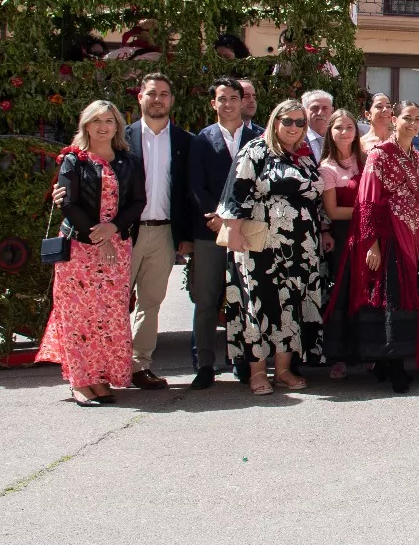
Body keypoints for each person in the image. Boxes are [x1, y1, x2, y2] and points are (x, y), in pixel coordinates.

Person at [218, 99, 330, 395]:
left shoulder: (304, 156)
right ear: (275, 121)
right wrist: (233, 232)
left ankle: (283, 370)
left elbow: (317, 199)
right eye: (288, 121)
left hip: (301, 246)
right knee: (259, 303)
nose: (295, 127)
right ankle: (257, 372)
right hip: (260, 243)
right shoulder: (256, 150)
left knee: (291, 304)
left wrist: (324, 230)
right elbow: (235, 193)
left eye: (300, 122)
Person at [324, 101, 419, 392]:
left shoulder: (417, 155)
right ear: (394, 119)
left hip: (415, 232)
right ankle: (393, 363)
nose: (412, 124)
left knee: (413, 293)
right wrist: (371, 243)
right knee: (392, 296)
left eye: (417, 119)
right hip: (389, 234)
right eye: (406, 118)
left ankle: (397, 361)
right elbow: (368, 201)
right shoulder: (379, 154)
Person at [39, 100, 147, 406]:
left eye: (109, 120)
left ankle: (100, 378)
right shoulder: (73, 160)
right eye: (97, 120)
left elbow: (138, 201)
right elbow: (68, 203)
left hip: (117, 247)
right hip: (80, 249)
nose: (103, 126)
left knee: (108, 316)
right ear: (86, 125)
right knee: (79, 317)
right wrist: (99, 238)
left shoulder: (128, 160)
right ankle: (80, 381)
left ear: (117, 126)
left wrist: (113, 228)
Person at [186, 77, 260, 390]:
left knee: (245, 297)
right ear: (213, 103)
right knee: (206, 299)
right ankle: (205, 363)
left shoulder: (259, 137)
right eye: (222, 98)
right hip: (210, 230)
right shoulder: (202, 139)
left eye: (233, 98)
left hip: (247, 230)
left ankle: (243, 359)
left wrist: (237, 221)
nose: (228, 104)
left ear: (243, 102)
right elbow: (195, 185)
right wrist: (218, 218)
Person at [122, 73, 193, 390]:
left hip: (164, 233)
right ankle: (107, 364)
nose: (158, 99)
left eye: (164, 94)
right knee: (113, 301)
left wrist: (185, 235)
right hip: (125, 233)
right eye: (151, 93)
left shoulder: (184, 141)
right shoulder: (121, 138)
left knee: (150, 302)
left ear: (171, 100)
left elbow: (187, 193)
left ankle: (139, 365)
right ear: (140, 97)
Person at [319, 109, 362, 378]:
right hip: (345, 236)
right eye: (338, 128)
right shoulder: (327, 167)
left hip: (369, 235)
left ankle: (368, 349)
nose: (344, 132)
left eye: (349, 127)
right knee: (343, 293)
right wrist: (367, 211)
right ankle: (339, 355)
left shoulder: (366, 159)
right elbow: (333, 211)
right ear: (330, 132)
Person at [301, 89, 334, 163]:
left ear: (332, 111)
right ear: (304, 111)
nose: (320, 113)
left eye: (325, 108)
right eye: (315, 108)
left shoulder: (339, 138)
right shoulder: (297, 139)